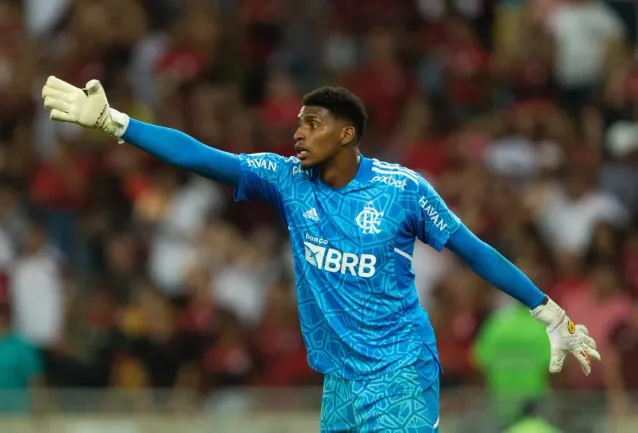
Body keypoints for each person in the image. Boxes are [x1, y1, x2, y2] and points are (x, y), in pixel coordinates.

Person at [41, 76, 600, 432]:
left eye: (313, 123)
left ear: (348, 133)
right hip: (341, 380)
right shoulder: (287, 180)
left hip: (399, 370)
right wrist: (117, 124)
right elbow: (204, 157)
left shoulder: (402, 190)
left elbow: (471, 250)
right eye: (298, 122)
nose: (298, 133)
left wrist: (547, 311)